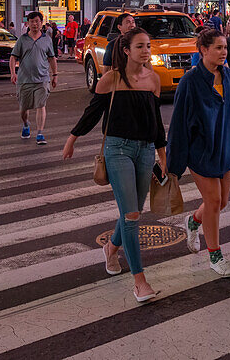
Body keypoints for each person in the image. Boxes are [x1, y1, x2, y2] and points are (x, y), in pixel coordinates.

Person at [65, 28, 167, 301]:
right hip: (117, 150)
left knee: (133, 210)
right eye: (140, 47)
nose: (146, 51)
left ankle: (111, 247)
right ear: (126, 50)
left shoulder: (153, 80)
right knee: (132, 216)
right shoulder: (110, 79)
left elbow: (155, 122)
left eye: (148, 46)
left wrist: (162, 154)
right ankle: (140, 281)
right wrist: (73, 138)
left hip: (145, 151)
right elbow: (93, 112)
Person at [171, 28, 230, 278]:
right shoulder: (190, 81)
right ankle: (215, 256)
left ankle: (194, 221)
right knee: (214, 201)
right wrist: (173, 165)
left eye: (225, 47)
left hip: (224, 148)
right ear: (203, 50)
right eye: (218, 47)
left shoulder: (228, 76)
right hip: (201, 152)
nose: (223, 52)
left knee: (221, 201)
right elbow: (178, 124)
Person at [9, 11, 58, 144]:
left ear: (41, 23)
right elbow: (13, 57)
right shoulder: (22, 39)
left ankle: (40, 133)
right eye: (32, 21)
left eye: (37, 21)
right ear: (28, 23)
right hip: (24, 79)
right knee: (23, 108)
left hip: (42, 79)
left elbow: (52, 58)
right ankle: (25, 124)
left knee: (41, 105)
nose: (35, 24)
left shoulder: (47, 39)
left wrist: (54, 75)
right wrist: (13, 73)